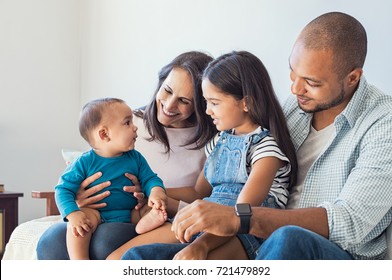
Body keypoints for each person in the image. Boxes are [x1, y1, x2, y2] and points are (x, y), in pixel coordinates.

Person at [122, 12, 392, 260]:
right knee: (138, 259)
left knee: (288, 238)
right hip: (258, 238)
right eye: (293, 72)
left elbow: (350, 222)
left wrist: (241, 218)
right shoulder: (293, 109)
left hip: (330, 253)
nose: (295, 88)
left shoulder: (382, 123)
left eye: (312, 82)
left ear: (353, 78)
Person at [106, 50, 297, 260]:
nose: (207, 111)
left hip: (242, 234)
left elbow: (241, 215)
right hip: (204, 221)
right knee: (122, 259)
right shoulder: (219, 142)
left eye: (214, 103)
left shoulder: (266, 151)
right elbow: (198, 191)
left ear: (246, 103)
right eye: (206, 102)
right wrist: (153, 190)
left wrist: (200, 246)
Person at [36, 51, 216, 260]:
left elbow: (200, 194)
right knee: (51, 240)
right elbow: (75, 179)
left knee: (105, 240)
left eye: (184, 100)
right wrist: (78, 200)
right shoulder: (128, 122)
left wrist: (152, 192)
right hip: (98, 210)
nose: (169, 105)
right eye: (167, 90)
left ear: (202, 104)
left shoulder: (212, 141)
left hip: (148, 213)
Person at [55, 97, 168, 259]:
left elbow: (150, 178)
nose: (135, 127)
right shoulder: (84, 162)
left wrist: (156, 192)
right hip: (97, 213)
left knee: (151, 210)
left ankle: (145, 224)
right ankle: (79, 262)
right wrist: (73, 214)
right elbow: (63, 189)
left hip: (131, 212)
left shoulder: (135, 158)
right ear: (104, 134)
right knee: (80, 225)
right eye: (127, 122)